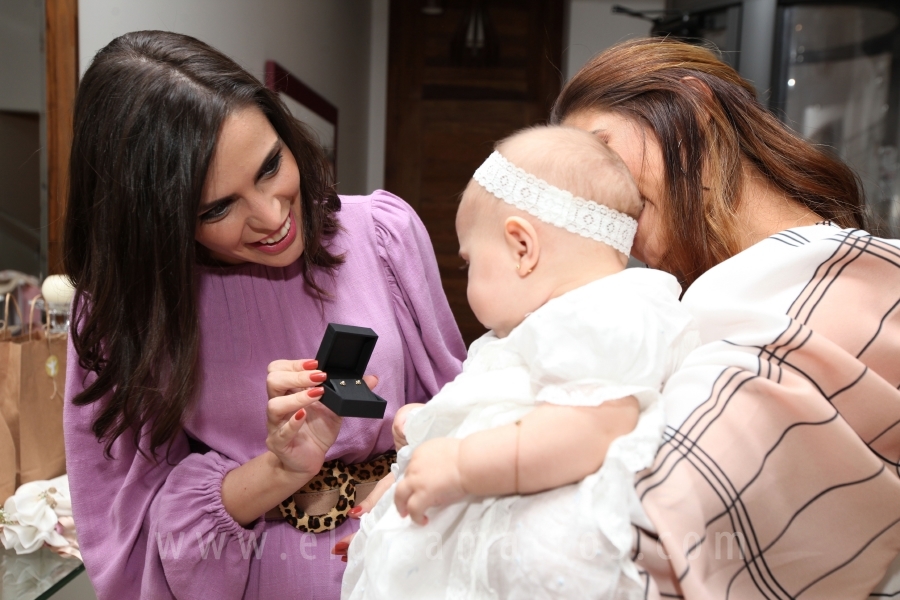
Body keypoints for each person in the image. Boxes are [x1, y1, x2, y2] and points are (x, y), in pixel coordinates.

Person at [62, 30, 465, 600]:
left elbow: (468, 411)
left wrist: (418, 465)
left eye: (271, 165)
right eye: (218, 207)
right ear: (155, 223)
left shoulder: (382, 234)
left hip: (413, 567)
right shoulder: (124, 313)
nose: (272, 216)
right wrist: (280, 469)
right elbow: (134, 541)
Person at [552, 38, 900, 599]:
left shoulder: (813, 298)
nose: (601, 205)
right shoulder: (696, 314)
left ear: (695, 109)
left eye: (604, 154)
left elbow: (650, 539)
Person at [341, 126, 700, 599]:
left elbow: (586, 431)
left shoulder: (601, 314)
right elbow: (500, 414)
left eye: (469, 261)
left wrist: (460, 465)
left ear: (522, 247)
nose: (466, 277)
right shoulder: (530, 331)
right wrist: (397, 487)